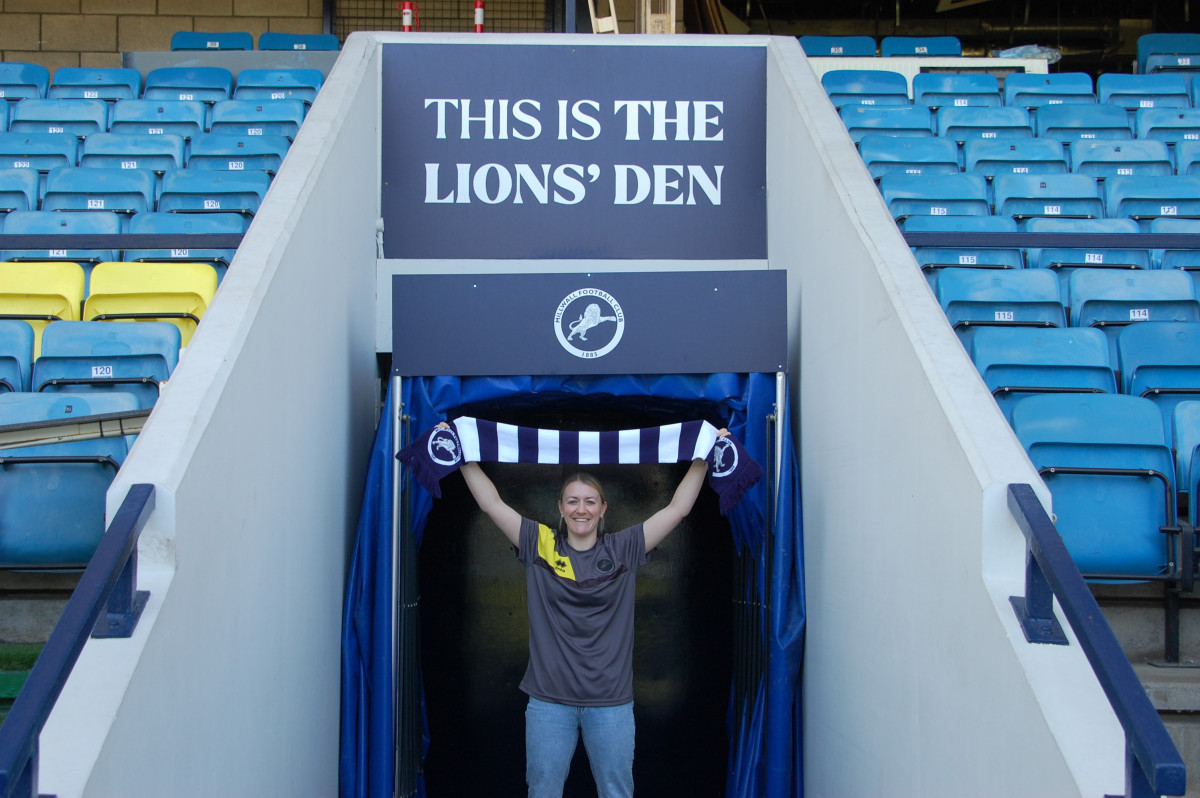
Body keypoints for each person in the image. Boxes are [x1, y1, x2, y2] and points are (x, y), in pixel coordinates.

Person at [440, 422, 729, 798]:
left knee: (616, 792)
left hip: (610, 706)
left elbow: (678, 508)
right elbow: (491, 503)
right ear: (560, 508)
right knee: (543, 791)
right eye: (573, 501)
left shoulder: (624, 548)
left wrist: (704, 455)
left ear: (603, 508)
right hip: (548, 705)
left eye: (590, 501)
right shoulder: (539, 543)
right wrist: (460, 451)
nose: (581, 509)